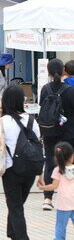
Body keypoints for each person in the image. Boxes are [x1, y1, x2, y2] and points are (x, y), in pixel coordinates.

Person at [0, 84, 41, 240]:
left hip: (12, 170)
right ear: (21, 101)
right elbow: (39, 144)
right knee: (17, 205)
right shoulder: (32, 121)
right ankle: (12, 233)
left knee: (15, 207)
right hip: (30, 169)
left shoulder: (2, 121)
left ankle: (21, 237)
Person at [39, 58, 74, 211]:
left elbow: (42, 108)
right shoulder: (70, 90)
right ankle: (68, 197)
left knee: (50, 163)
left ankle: (47, 199)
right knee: (68, 164)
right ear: (63, 71)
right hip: (67, 133)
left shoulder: (45, 89)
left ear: (48, 72)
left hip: (49, 131)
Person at [37, 142, 74, 240]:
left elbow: (53, 186)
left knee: (60, 228)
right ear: (72, 156)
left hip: (63, 205)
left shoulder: (58, 170)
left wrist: (43, 188)